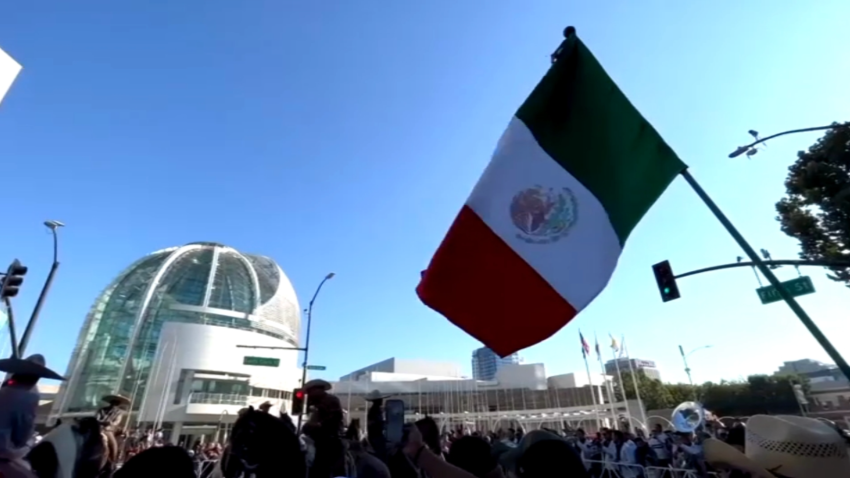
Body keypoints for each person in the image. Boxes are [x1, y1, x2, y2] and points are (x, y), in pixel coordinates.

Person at [0, 354, 65, 471]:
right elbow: (22, 435)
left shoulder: (4, 390)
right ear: (35, 378)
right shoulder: (29, 397)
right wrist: (30, 441)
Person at [302, 379, 346, 478]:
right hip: (317, 438)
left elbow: (334, 419)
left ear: (318, 390)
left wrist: (318, 425)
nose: (309, 394)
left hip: (329, 439)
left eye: (310, 391)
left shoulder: (330, 400)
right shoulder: (316, 403)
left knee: (322, 465)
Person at [96, 394, 131, 463]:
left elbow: (116, 422)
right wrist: (104, 422)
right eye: (113, 403)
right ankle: (113, 461)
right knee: (114, 444)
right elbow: (97, 419)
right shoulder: (102, 410)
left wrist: (110, 423)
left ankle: (113, 460)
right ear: (111, 403)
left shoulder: (119, 413)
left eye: (116, 404)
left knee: (114, 444)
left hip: (108, 428)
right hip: (101, 428)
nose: (114, 405)